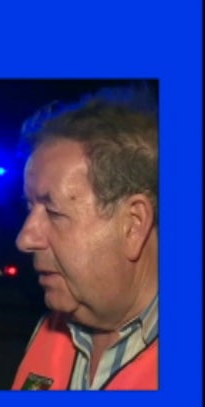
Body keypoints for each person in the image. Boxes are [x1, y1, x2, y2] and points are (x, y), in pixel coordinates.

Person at [12, 85, 158, 391]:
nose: (25, 239)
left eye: (53, 212)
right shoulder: (48, 332)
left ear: (133, 224)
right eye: (29, 207)